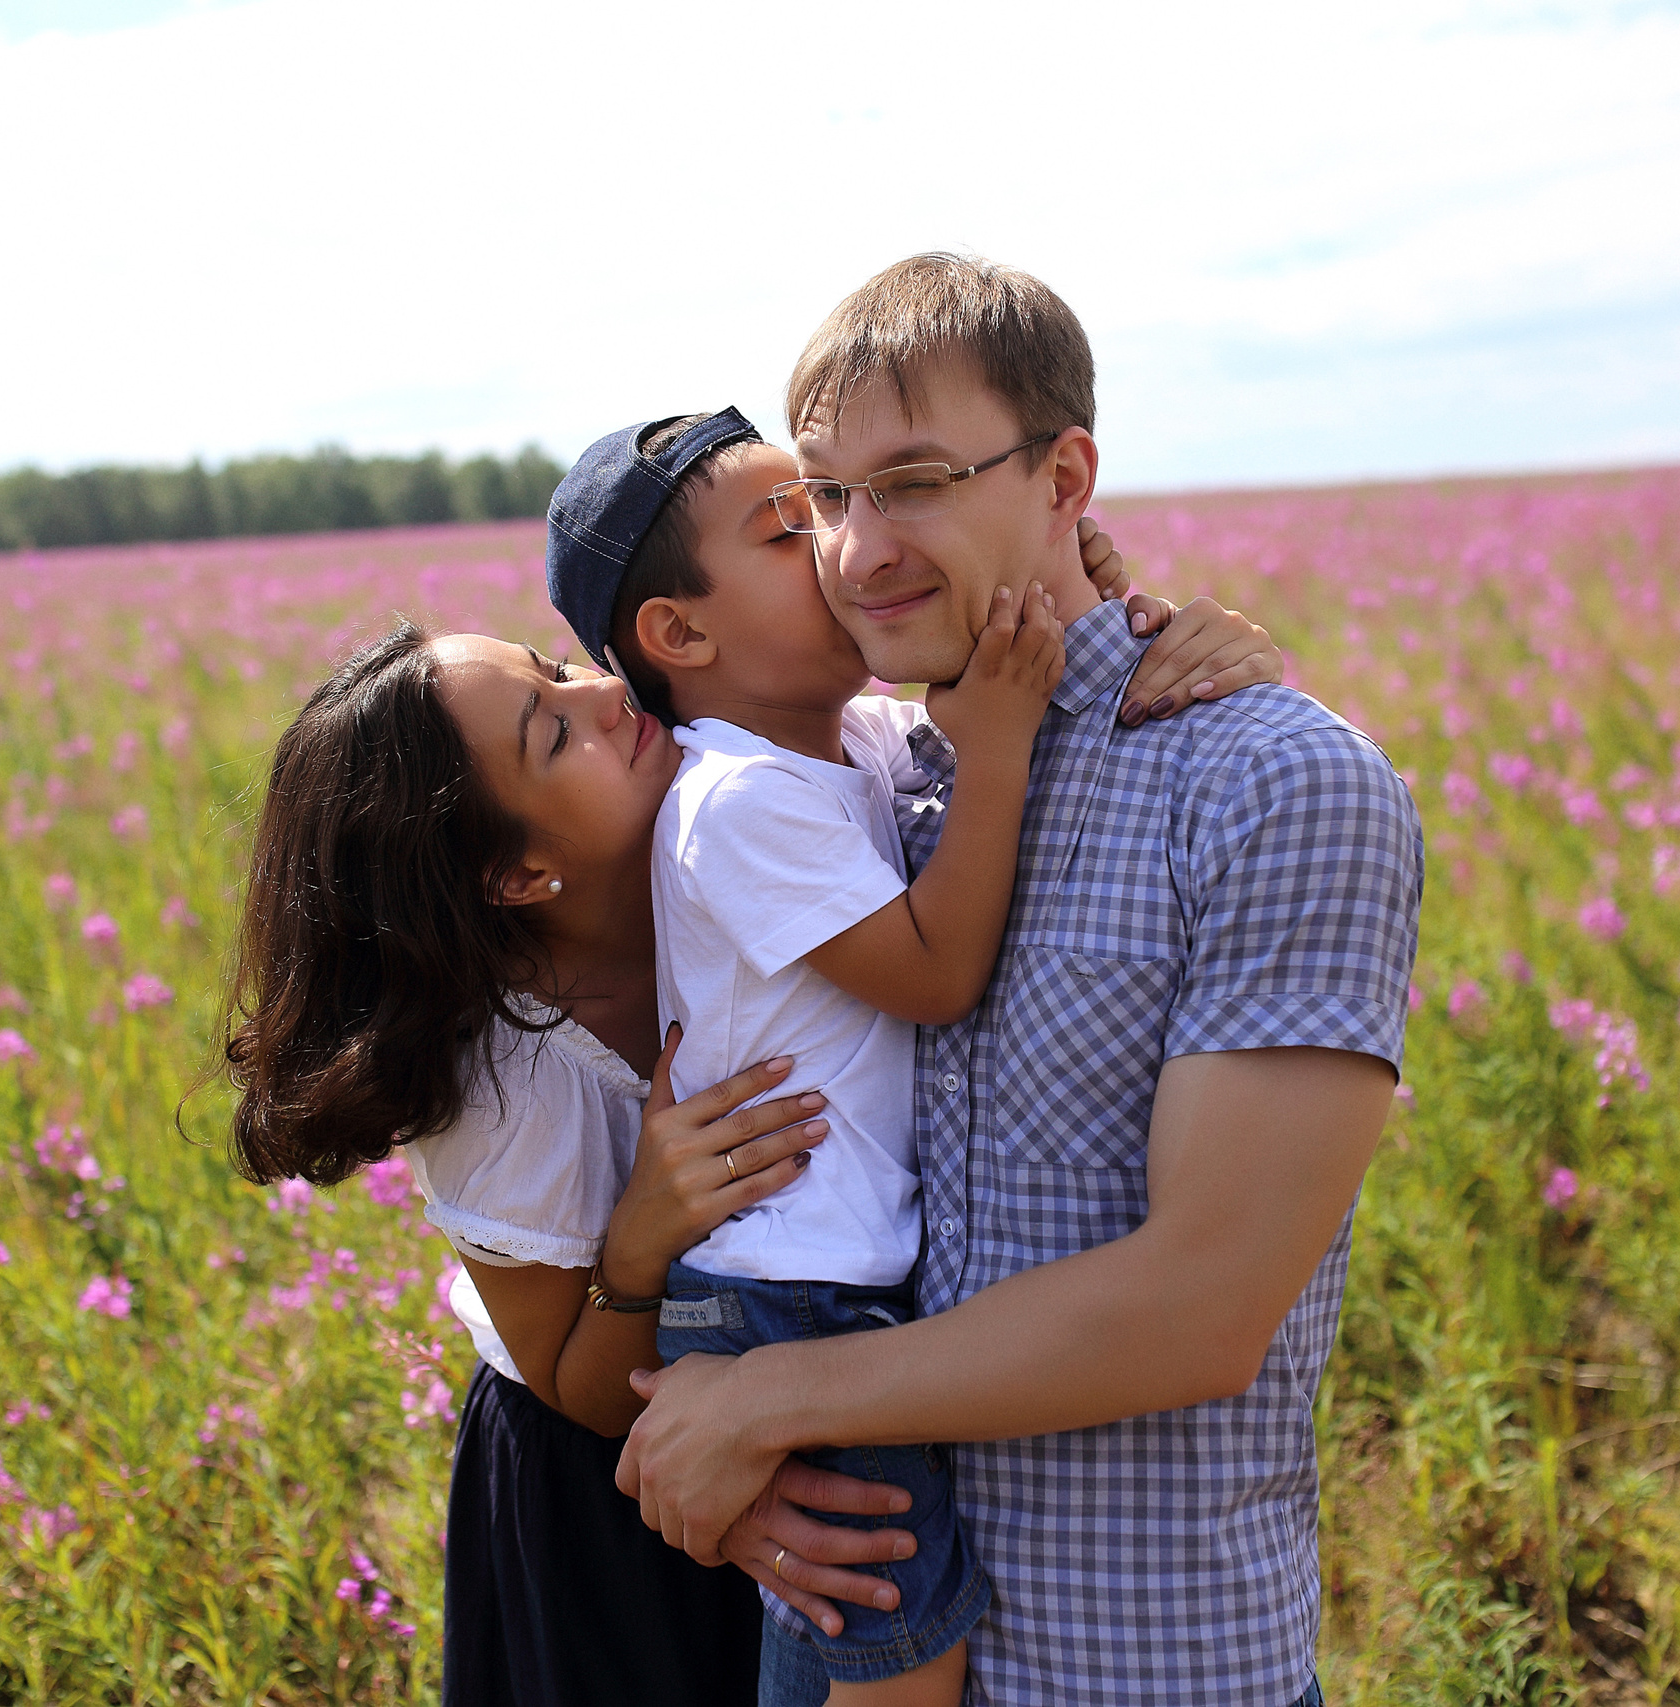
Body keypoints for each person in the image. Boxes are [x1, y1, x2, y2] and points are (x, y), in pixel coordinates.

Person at [215, 434, 1284, 1704]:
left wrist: (1167, 637)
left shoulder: (783, 774)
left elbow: (1010, 696)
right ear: (518, 875)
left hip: (778, 1383)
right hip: (602, 1487)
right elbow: (574, 1387)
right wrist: (641, 1240)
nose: (602, 693)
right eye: (552, 732)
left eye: (557, 666)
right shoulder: (499, 1073)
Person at [613, 254, 1427, 1707]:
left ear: (1066, 480)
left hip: (1137, 1668)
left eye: (916, 482)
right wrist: (660, 1286)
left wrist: (759, 1402)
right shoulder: (874, 785)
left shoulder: (1273, 783)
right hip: (850, 1629)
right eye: (825, 497)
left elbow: (1202, 1306)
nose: (859, 550)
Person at [541, 410, 1069, 1704]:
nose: (844, 546)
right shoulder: (737, 800)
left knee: (837, 1641)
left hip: (814, 1278)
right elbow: (936, 974)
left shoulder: (853, 740)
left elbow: (992, 645)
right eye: (793, 528)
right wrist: (999, 750)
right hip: (790, 1293)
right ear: (681, 635)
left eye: (834, 502)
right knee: (898, 1648)